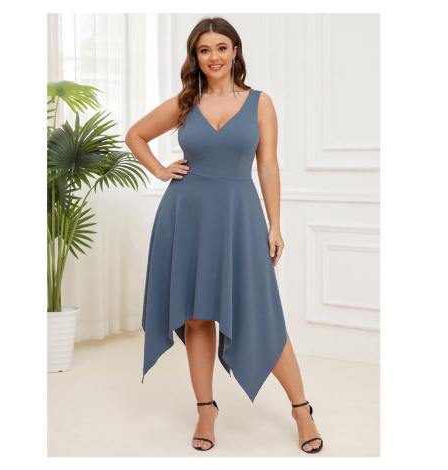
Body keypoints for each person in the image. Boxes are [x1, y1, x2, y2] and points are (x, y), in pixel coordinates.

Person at [125, 16, 323, 454]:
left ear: (235, 51)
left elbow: (267, 166)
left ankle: (301, 408)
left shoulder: (260, 102)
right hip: (186, 215)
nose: (213, 57)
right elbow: (135, 135)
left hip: (239, 215)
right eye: (204, 50)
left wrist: (275, 224)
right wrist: (160, 170)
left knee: (260, 313)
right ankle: (206, 409)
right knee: (196, 316)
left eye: (221, 47)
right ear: (195, 57)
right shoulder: (185, 101)